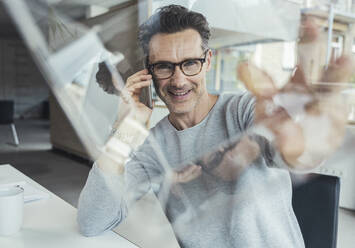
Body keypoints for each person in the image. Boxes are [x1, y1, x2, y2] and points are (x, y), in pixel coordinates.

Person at [77, 4, 353, 248]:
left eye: (190, 64)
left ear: (207, 61)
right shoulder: (150, 145)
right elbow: (93, 221)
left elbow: (295, 153)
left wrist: (305, 140)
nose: (179, 80)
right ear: (149, 72)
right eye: (164, 67)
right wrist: (123, 129)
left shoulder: (244, 110)